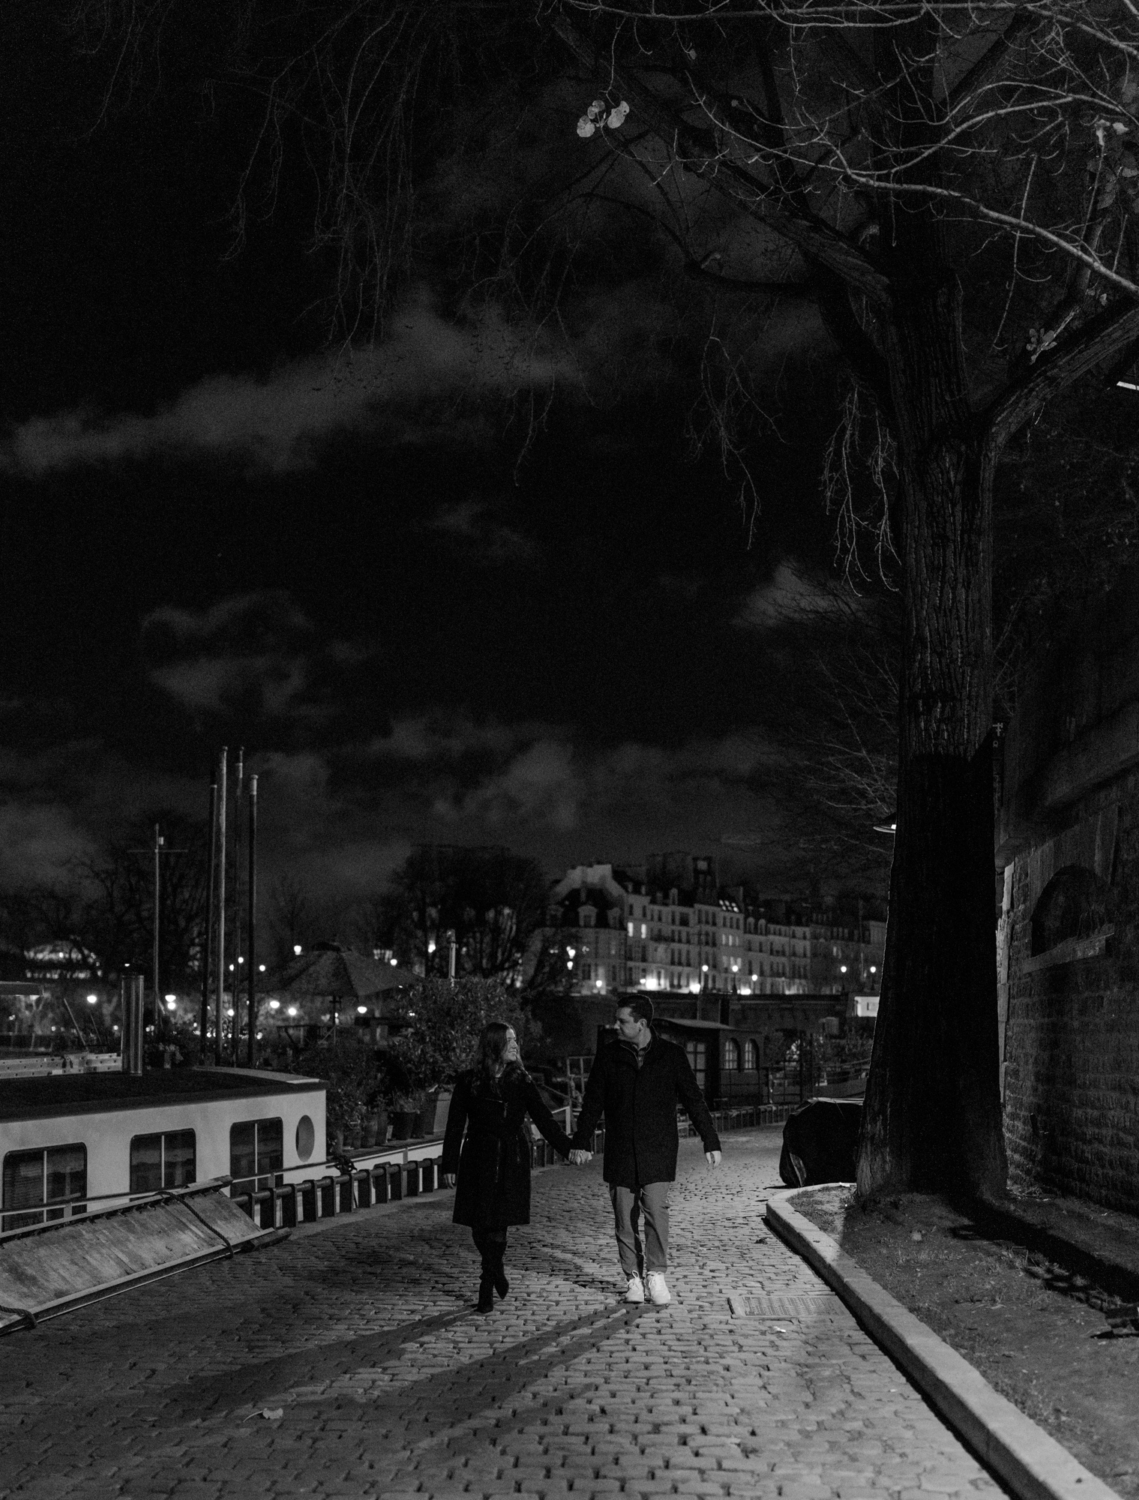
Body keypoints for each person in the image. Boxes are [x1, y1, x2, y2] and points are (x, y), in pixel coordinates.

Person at [568, 996, 722, 1306]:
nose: (616, 1026)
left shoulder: (671, 1056)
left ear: (641, 1024)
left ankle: (656, 1273)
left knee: (656, 1211)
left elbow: (694, 1099)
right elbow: (593, 1101)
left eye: (622, 1021)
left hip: (658, 1148)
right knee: (624, 1218)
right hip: (621, 1148)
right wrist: (581, 1140)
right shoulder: (609, 1056)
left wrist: (711, 1140)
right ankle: (633, 1279)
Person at [442, 1021, 574, 1313]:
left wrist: (568, 1148)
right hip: (478, 1156)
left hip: (511, 1157)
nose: (515, 1045)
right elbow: (454, 1125)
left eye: (516, 1040)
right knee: (478, 1226)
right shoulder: (468, 1081)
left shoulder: (522, 1081)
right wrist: (449, 1163)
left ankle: (486, 1283)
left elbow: (544, 1119)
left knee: (498, 1224)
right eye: (510, 1040)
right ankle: (496, 1268)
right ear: (493, 1046)